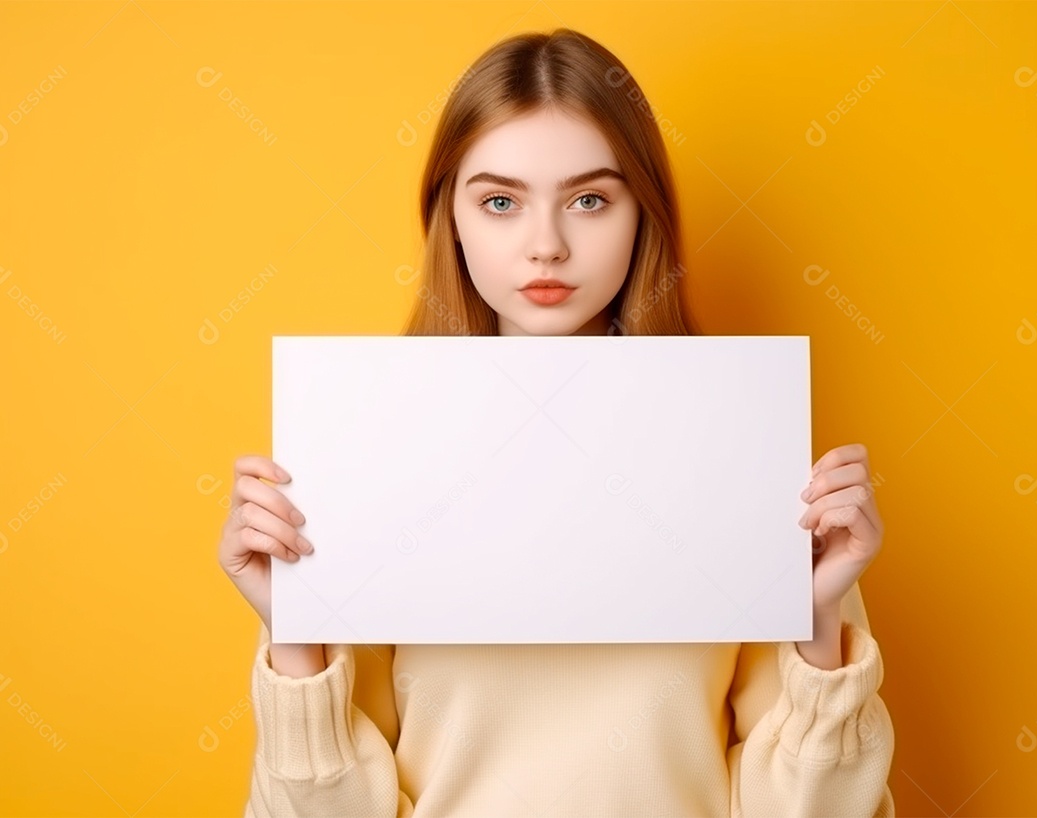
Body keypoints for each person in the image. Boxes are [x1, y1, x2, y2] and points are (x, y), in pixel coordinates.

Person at [218, 28, 896, 817]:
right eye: (500, 201)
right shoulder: (369, 446)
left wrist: (815, 616)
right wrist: (295, 624)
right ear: (453, 218)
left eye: (589, 200)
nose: (546, 245)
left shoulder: (743, 446)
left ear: (643, 214)